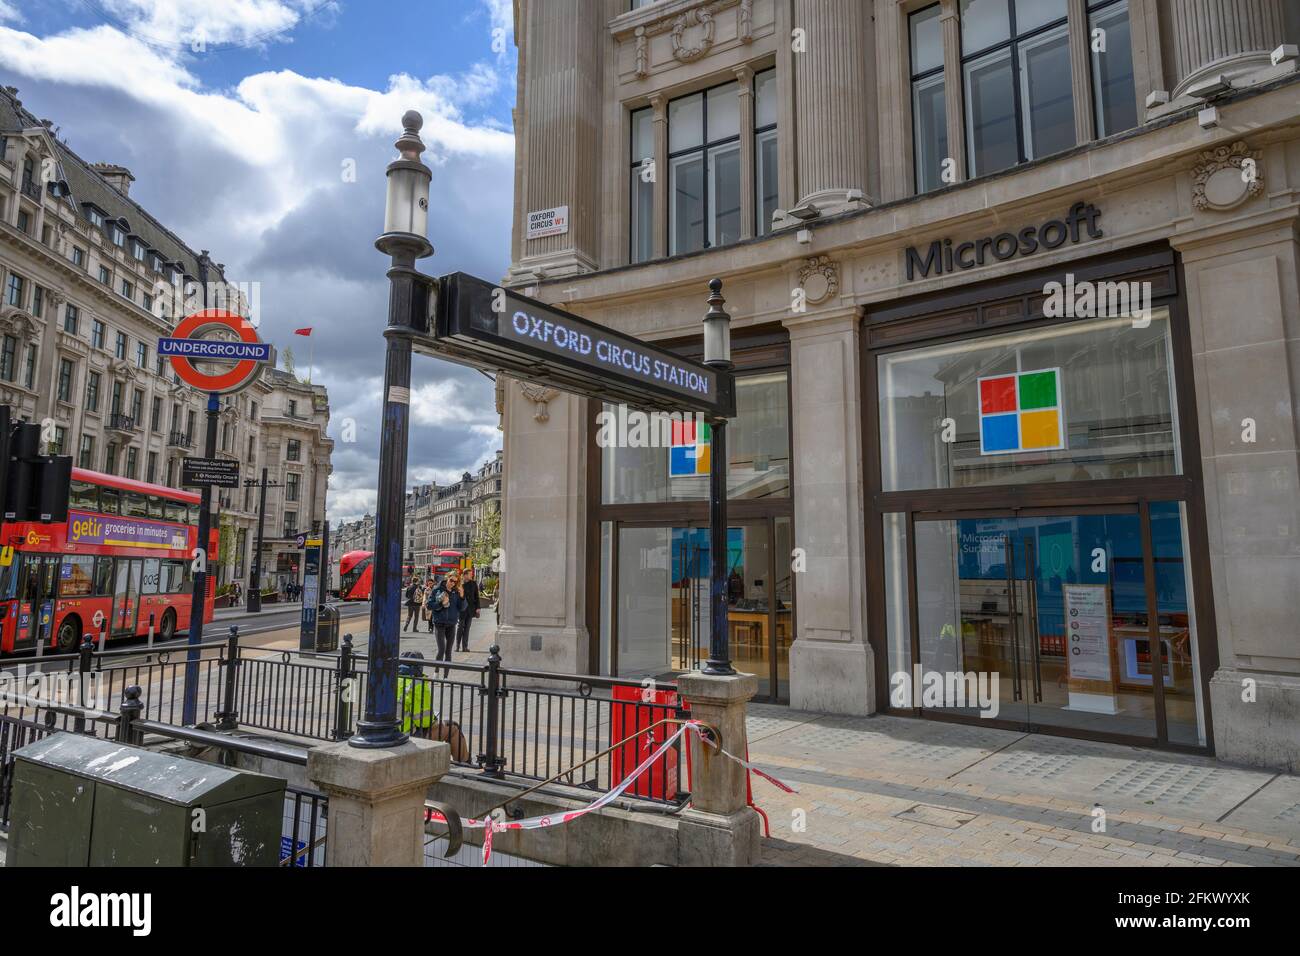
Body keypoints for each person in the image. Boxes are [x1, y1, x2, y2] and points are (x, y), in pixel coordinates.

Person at [427, 569, 465, 675]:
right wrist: (441, 604)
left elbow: (462, 608)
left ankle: (446, 677)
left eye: (455, 582)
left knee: (448, 651)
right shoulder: (437, 589)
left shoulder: (456, 592)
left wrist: (462, 596)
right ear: (447, 578)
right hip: (439, 623)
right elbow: (429, 605)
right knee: (441, 650)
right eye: (451, 580)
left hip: (451, 624)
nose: (452, 583)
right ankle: (436, 673)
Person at [397, 652, 435, 735]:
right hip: (407, 732)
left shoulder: (392, 679)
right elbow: (424, 722)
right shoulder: (418, 684)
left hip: (389, 729)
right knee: (453, 729)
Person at [456, 569, 480, 652]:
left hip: (470, 609)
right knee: (460, 628)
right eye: (470, 574)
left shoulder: (473, 584)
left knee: (467, 628)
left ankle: (465, 647)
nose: (471, 575)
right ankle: (457, 646)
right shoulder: (459, 584)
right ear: (465, 575)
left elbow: (477, 596)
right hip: (462, 610)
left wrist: (478, 608)